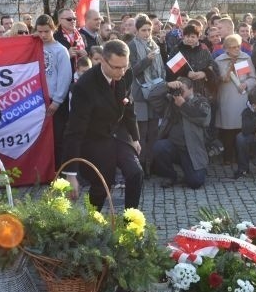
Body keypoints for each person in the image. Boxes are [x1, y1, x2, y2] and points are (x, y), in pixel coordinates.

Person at [62, 40, 143, 209]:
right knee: (102, 183)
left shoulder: (126, 74)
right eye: (116, 67)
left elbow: (129, 106)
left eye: (125, 66)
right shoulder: (85, 86)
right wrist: (71, 174)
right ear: (103, 61)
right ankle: (93, 224)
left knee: (135, 173)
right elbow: (74, 130)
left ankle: (131, 224)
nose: (121, 72)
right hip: (94, 137)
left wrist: (135, 138)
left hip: (118, 133)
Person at [152, 77, 211, 189]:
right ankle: (170, 176)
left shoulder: (200, 101)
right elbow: (152, 97)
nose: (179, 93)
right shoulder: (170, 102)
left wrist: (183, 105)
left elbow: (203, 119)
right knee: (159, 147)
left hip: (192, 150)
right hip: (173, 146)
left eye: (182, 90)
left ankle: (189, 172)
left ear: (191, 89)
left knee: (195, 182)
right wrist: (167, 85)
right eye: (177, 90)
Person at [128, 15, 166, 177]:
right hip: (140, 93)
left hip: (155, 93)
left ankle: (151, 164)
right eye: (143, 30)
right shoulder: (132, 45)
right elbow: (131, 71)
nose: (147, 33)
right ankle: (140, 165)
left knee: (153, 132)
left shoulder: (154, 44)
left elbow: (162, 67)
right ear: (136, 31)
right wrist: (146, 60)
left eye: (149, 30)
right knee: (141, 132)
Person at [34, 14, 72, 170]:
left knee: (57, 138)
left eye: (46, 32)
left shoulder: (60, 50)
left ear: (53, 29)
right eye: (40, 32)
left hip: (55, 101)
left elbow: (65, 77)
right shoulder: (35, 45)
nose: (43, 35)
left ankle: (59, 170)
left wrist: (57, 101)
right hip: (37, 101)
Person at [214, 34, 256, 166]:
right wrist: (226, 74)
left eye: (238, 46)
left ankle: (241, 156)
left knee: (241, 128)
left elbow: (253, 78)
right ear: (226, 48)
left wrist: (247, 84)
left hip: (242, 98)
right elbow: (215, 80)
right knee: (227, 131)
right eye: (233, 47)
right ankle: (227, 157)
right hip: (226, 99)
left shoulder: (245, 58)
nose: (236, 49)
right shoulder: (219, 60)